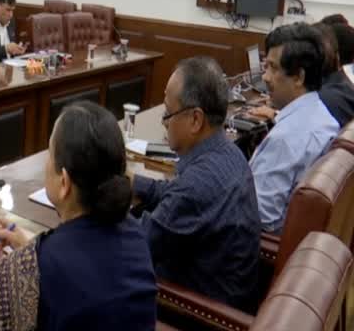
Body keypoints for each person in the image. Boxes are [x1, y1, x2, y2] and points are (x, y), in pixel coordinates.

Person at [0, 101, 157, 330]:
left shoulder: (29, 270)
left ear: (64, 182)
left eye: (50, 154)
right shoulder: (135, 235)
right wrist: (33, 246)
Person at [131, 57, 260, 309]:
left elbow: (134, 246)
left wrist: (91, 207)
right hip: (224, 293)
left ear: (195, 120)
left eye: (168, 112)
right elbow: (175, 194)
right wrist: (132, 182)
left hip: (195, 312)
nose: (164, 121)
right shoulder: (228, 152)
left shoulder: (196, 186)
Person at [249, 23, 339, 233]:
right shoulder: (323, 117)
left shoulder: (286, 139)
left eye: (273, 68)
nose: (265, 77)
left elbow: (260, 217)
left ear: (298, 77)